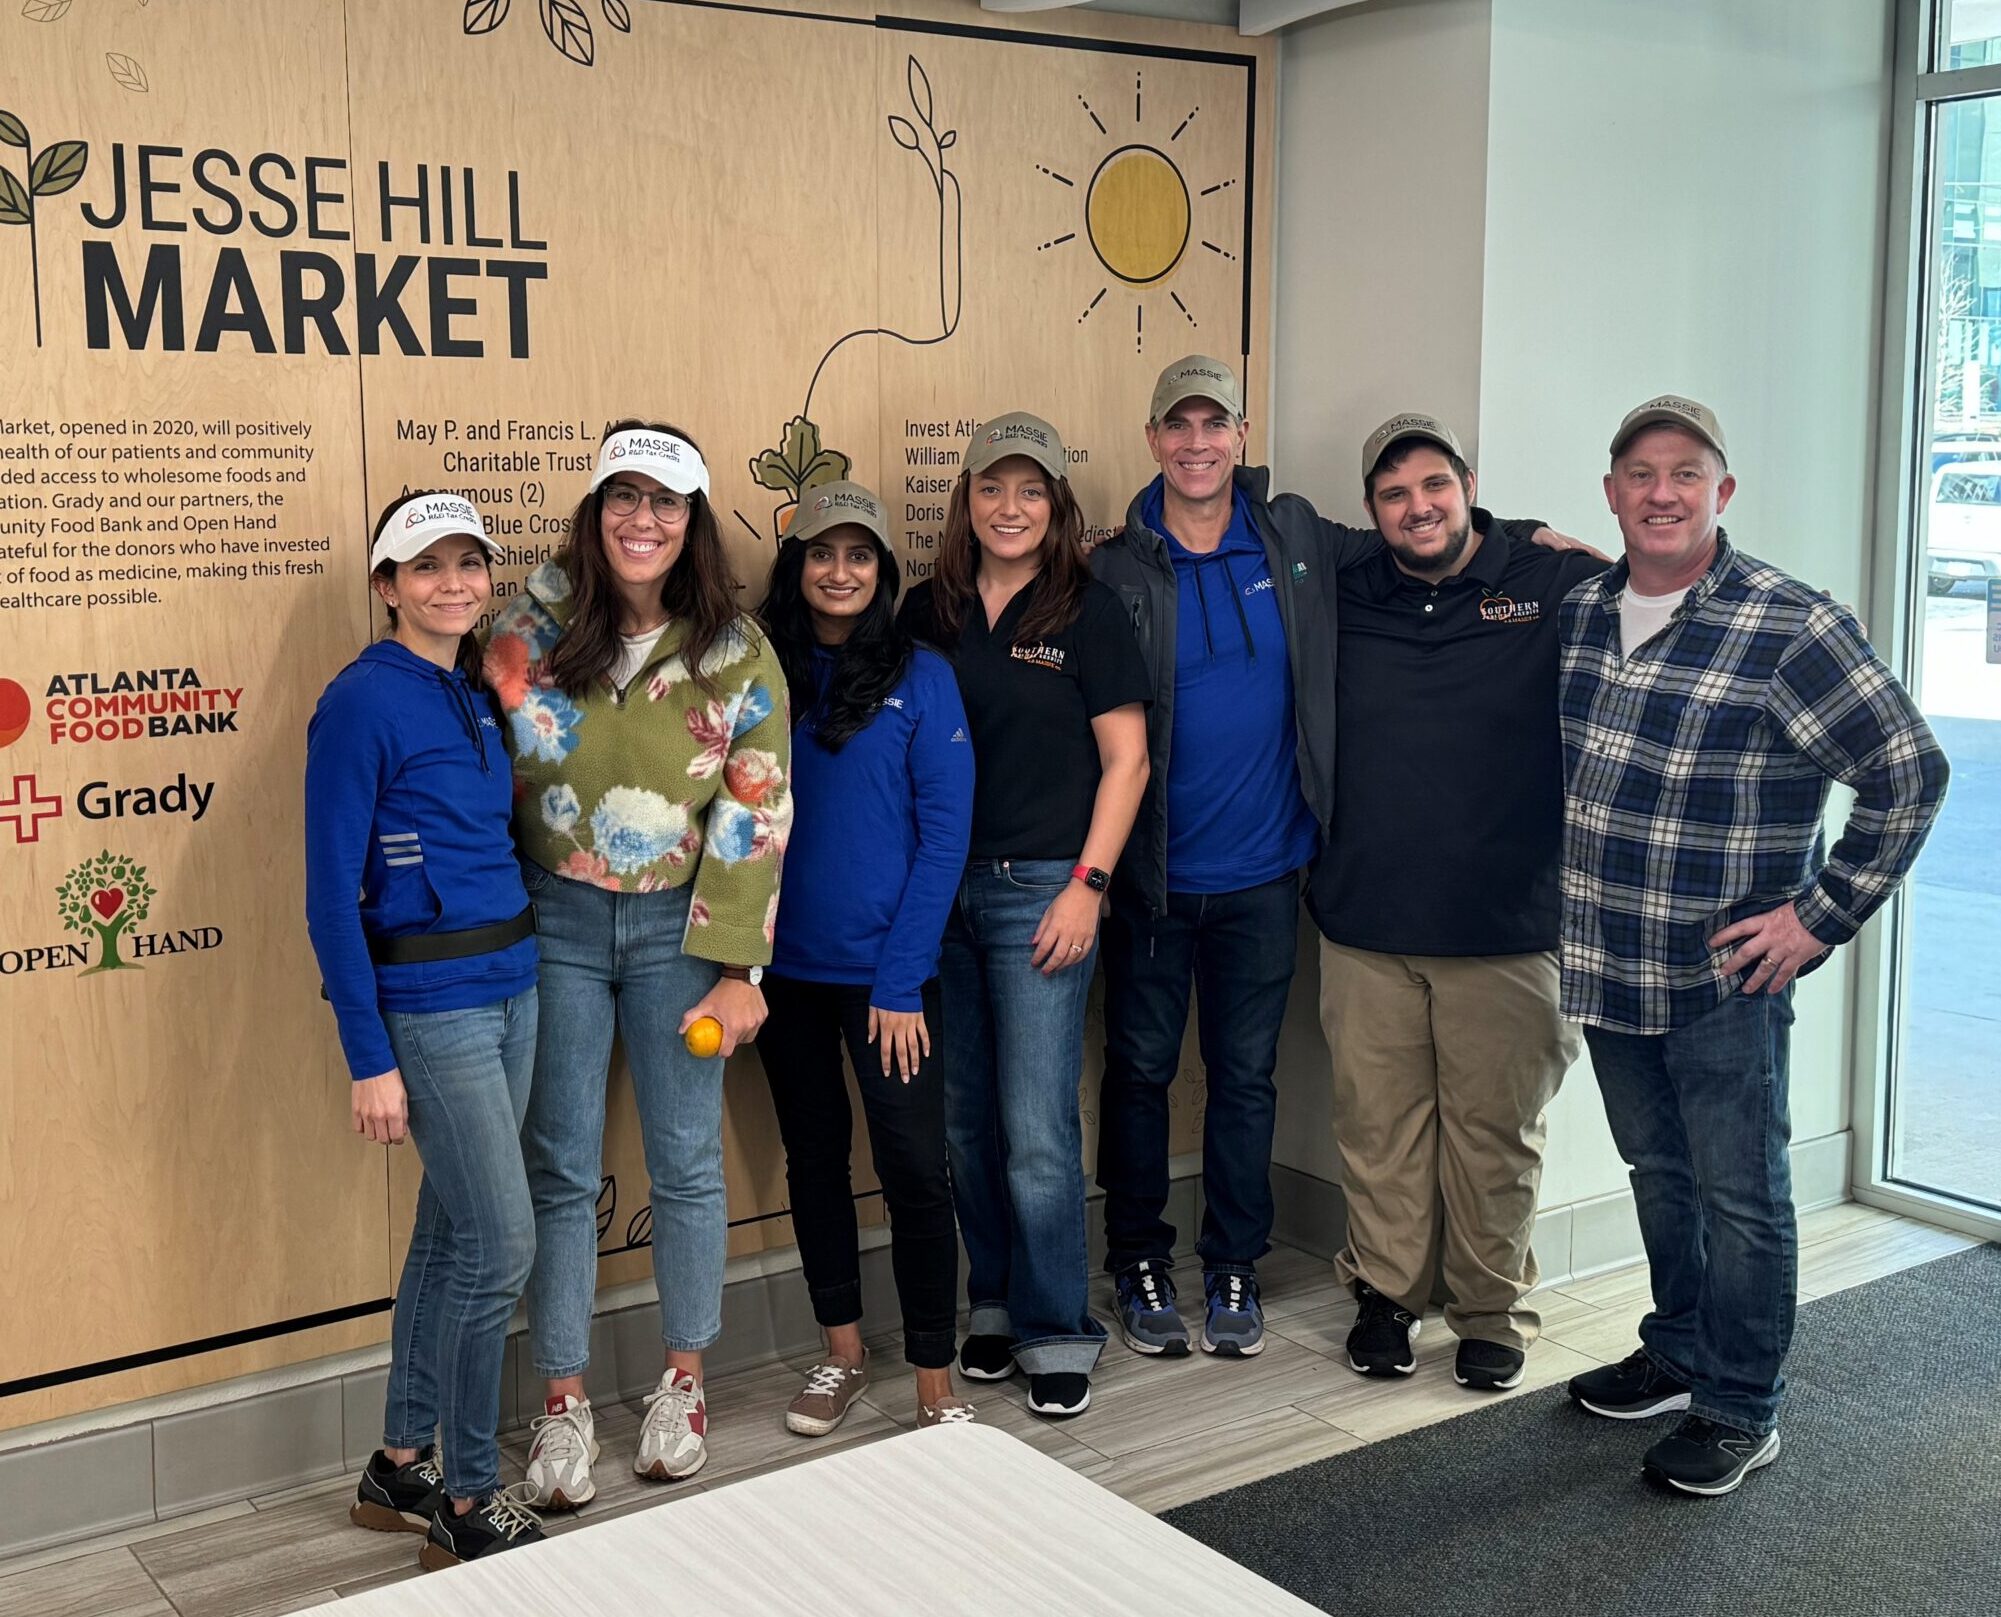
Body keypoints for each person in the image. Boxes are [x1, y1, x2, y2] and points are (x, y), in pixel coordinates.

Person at [1089, 361, 1565, 1363]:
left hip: (1269, 876)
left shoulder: (1296, 537)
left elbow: (1431, 533)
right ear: (1153, 438)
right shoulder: (1116, 565)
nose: (1196, 443)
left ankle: (1234, 1265)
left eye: (1214, 423)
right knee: (1137, 1075)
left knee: (1245, 1079)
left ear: (1241, 433)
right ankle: (1137, 1261)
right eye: (1178, 426)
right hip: (1151, 878)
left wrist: (1531, 537)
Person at [1559, 395, 1949, 1496]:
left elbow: (1910, 771)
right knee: (1659, 1173)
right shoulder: (1583, 612)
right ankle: (1681, 1350)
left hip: (1724, 977)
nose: (1663, 493)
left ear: (1721, 490)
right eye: (1641, 473)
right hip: (1607, 960)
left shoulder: (1791, 624)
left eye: (1686, 473)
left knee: (1740, 1194)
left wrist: (1818, 916)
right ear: (1611, 492)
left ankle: (1740, 1405)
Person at [483, 421, 793, 1505]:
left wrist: (739, 969)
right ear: (595, 510)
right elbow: (481, 780)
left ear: (692, 519)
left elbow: (754, 808)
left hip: (681, 932)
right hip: (552, 924)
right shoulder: (523, 630)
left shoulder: (736, 650)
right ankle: (561, 1400)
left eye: (665, 501)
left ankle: (683, 1384)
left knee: (686, 1161)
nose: (642, 519)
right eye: (623, 496)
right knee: (560, 1166)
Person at [1307, 413, 1601, 1390]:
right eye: (1394, 494)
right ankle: (1387, 1297)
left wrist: (1551, 539)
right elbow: (1247, 525)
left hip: (1510, 926)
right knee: (1378, 1132)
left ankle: (1489, 1311)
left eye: (1434, 485)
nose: (1418, 507)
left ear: (1468, 487)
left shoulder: (1549, 578)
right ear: (1370, 511)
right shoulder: (1347, 582)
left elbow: (1660, 602)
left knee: (1495, 1139)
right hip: (1366, 921)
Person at [304, 491, 544, 1568]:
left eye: (468, 563)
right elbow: (328, 896)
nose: (453, 583)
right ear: (387, 586)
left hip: (515, 984)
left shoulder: (475, 688)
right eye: (427, 566)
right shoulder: (361, 701)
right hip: (433, 1006)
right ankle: (469, 1496)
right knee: (501, 1246)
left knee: (451, 1235)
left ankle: (400, 1464)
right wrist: (369, 1058)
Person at [899, 412, 1151, 1418]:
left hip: (1042, 889)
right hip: (938, 891)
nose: (1010, 507)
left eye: (1031, 491)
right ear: (965, 499)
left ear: (1057, 505)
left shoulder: (1088, 609)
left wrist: (1087, 884)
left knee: (1036, 1123)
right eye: (992, 488)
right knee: (965, 1121)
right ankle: (994, 1301)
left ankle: (1057, 1326)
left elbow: (1127, 762)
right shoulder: (927, 611)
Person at [753, 481, 977, 1432]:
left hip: (890, 980)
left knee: (916, 1169)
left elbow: (945, 836)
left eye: (858, 555)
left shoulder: (923, 675)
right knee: (814, 1160)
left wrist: (899, 979)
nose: (838, 571)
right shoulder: (760, 669)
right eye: (820, 552)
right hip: (781, 975)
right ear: (796, 565)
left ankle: (934, 1379)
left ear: (883, 572)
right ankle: (841, 1351)